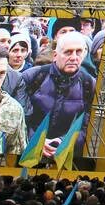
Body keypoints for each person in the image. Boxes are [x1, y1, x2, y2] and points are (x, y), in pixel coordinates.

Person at [17, 32, 97, 166]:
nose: (74, 57)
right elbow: (19, 119)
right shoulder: (33, 76)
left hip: (66, 158)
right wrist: (37, 141)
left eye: (79, 52)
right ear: (55, 55)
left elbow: (86, 127)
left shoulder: (89, 84)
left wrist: (64, 143)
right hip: (27, 153)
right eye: (68, 52)